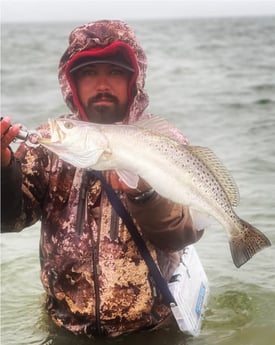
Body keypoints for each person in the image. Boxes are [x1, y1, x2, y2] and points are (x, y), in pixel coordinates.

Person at [1, 20, 203, 338]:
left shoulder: (165, 143)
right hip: (64, 329)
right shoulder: (47, 142)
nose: (103, 84)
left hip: (150, 330)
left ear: (134, 80)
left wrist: (145, 196)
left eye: (115, 72)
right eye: (89, 73)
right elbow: (9, 220)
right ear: (72, 82)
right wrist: (3, 168)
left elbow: (184, 234)